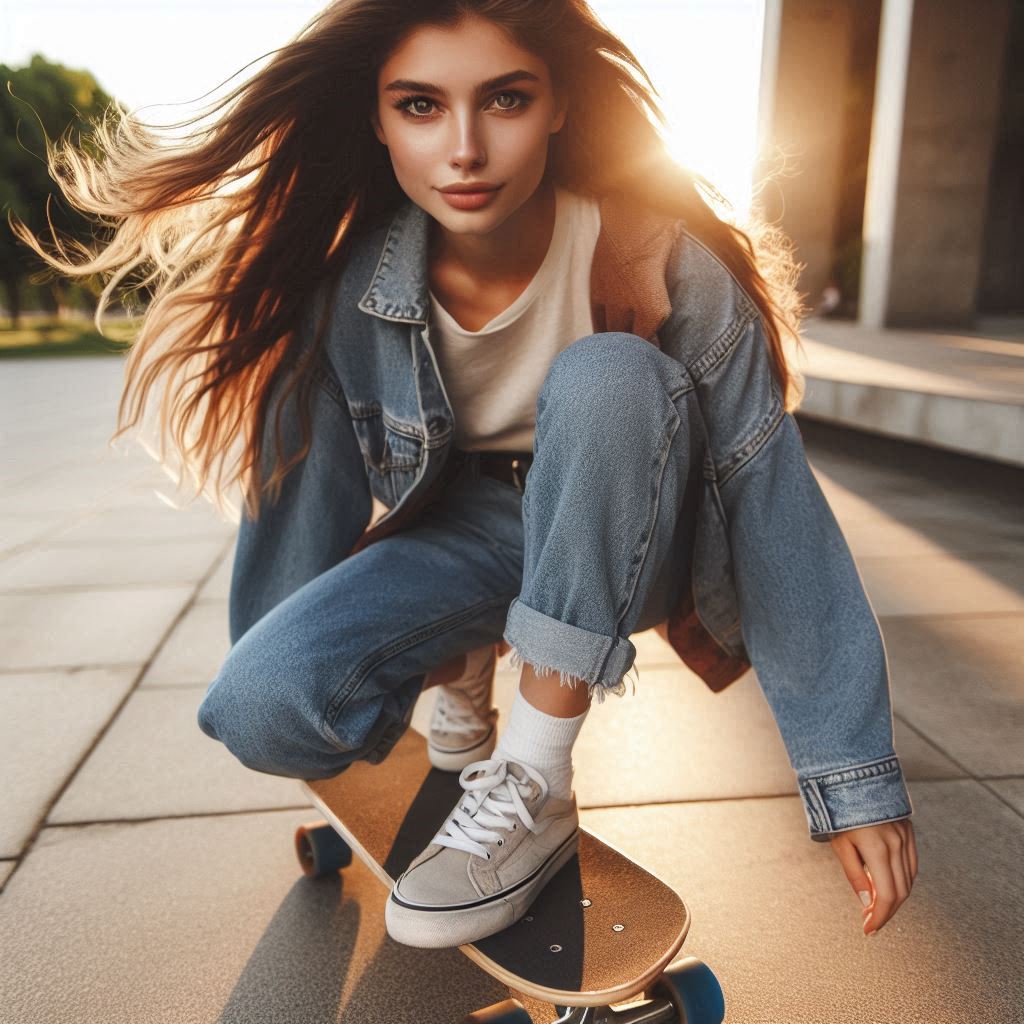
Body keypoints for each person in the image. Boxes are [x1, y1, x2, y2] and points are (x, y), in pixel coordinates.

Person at [14, 0, 917, 950]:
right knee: (256, 703)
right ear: (376, 118)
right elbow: (300, 507)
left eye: (505, 99)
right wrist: (312, 674)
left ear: (560, 103)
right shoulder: (342, 295)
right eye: (420, 107)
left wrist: (851, 776)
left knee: (608, 377)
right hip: (468, 535)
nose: (465, 149)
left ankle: (533, 776)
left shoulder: (665, 265)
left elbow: (774, 506)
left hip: (633, 538)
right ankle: (467, 665)